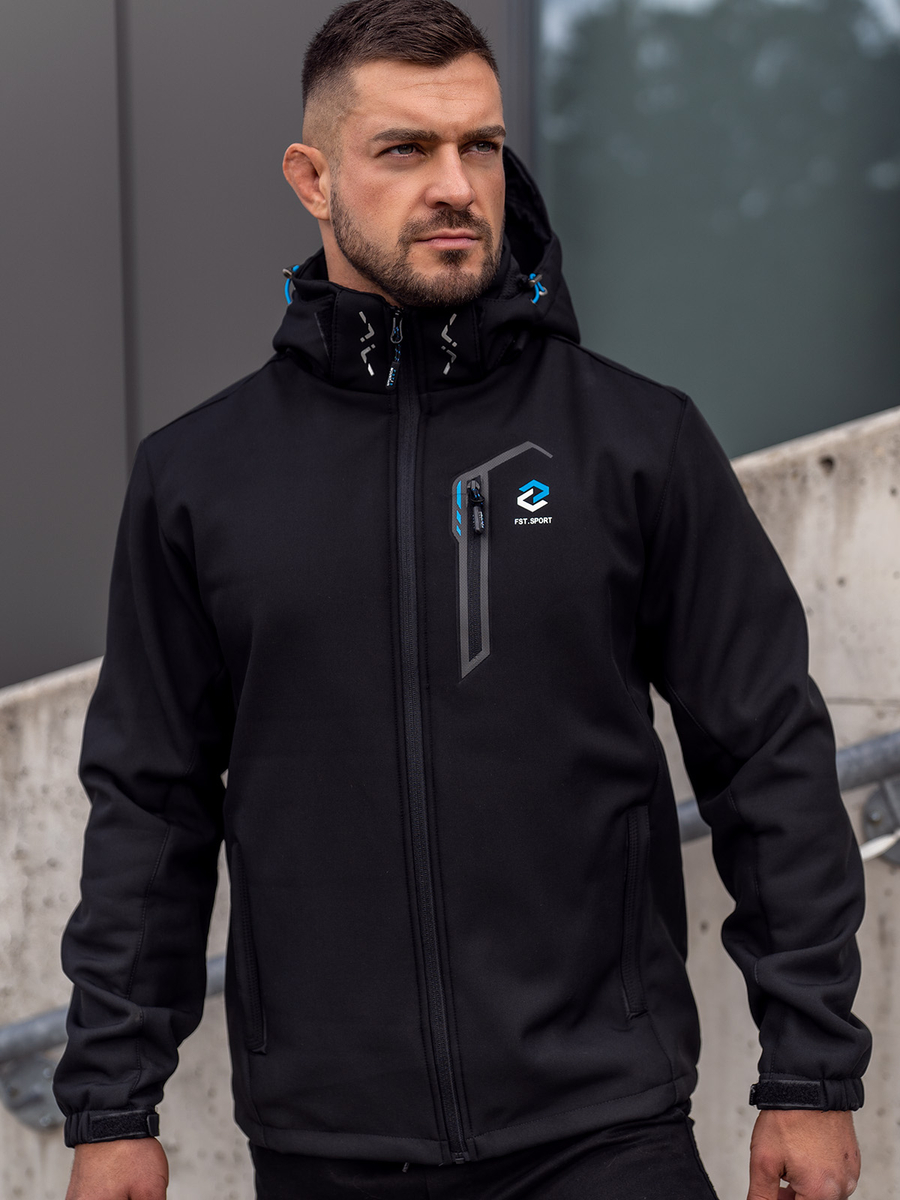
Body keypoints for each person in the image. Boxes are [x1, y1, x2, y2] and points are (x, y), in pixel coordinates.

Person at [54, 2, 871, 1197]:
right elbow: (150, 803)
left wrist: (809, 1075)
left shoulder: (631, 441)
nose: (456, 184)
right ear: (313, 178)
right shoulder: (201, 478)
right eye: (405, 149)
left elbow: (769, 760)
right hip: (330, 1152)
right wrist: (112, 1107)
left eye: (479, 145)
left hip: (606, 1135)